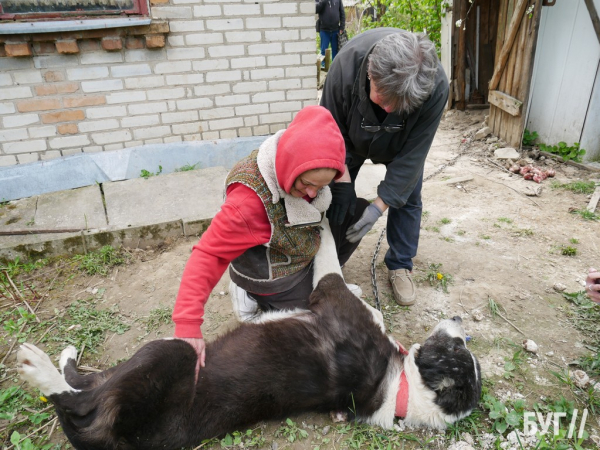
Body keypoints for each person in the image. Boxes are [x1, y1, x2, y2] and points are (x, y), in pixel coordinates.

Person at [172, 105, 370, 370]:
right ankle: (251, 296)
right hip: (271, 272)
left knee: (356, 212)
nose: (312, 193)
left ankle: (326, 279)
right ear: (291, 166)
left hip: (296, 244)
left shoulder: (302, 162)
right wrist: (187, 325)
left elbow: (330, 165)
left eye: (321, 187)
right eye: (307, 185)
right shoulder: (248, 203)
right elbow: (209, 254)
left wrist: (342, 184)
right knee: (318, 327)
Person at [320, 28, 449, 307]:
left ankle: (400, 264)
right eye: (383, 97)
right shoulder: (344, 67)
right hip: (348, 142)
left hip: (400, 144)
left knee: (408, 195)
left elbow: (413, 157)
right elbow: (329, 133)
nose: (389, 109)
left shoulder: (435, 85)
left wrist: (378, 207)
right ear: (370, 73)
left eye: (399, 104)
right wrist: (341, 183)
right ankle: (327, 263)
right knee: (332, 197)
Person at [316, 0, 345, 67]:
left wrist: (342, 27)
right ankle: (323, 68)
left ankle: (334, 68)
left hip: (336, 30)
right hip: (324, 30)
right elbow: (316, 9)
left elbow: (342, 13)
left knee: (335, 51)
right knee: (323, 51)